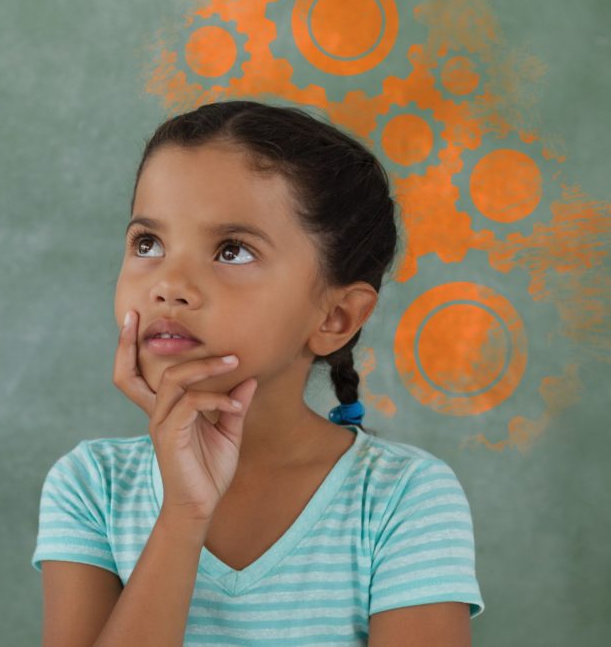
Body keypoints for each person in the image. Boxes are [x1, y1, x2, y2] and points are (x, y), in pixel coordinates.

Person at [32, 100, 485, 645]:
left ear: (336, 318)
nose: (169, 285)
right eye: (148, 243)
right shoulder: (92, 486)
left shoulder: (402, 499)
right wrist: (183, 515)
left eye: (232, 251)